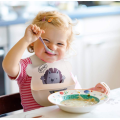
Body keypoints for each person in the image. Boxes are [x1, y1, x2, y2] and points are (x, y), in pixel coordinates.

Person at [2, 11, 110, 112]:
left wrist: (94, 91)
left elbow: (73, 94)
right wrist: (25, 39)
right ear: (33, 41)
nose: (52, 47)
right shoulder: (25, 66)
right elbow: (8, 66)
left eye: (60, 44)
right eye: (46, 40)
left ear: (66, 47)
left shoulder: (64, 66)